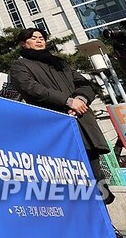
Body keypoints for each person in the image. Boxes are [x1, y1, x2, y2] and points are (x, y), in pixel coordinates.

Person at [10, 28, 115, 204]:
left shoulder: (61, 64)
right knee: (72, 181)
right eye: (34, 38)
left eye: (42, 38)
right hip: (56, 127)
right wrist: (67, 101)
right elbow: (32, 89)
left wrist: (79, 100)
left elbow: (84, 84)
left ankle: (106, 227)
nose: (39, 40)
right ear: (23, 43)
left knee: (97, 180)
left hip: (82, 126)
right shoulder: (20, 66)